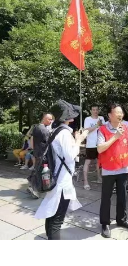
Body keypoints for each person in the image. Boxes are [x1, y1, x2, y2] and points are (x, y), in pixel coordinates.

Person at [34, 100, 88, 240]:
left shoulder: (56, 130)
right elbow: (70, 156)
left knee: (52, 215)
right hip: (62, 182)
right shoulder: (64, 133)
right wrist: (79, 140)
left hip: (56, 178)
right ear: (65, 117)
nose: (74, 115)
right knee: (57, 220)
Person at [97, 103, 128, 239]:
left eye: (121, 113)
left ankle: (121, 219)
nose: (120, 115)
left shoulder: (126, 127)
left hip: (123, 167)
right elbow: (100, 148)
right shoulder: (102, 129)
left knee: (122, 195)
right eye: (117, 112)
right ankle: (105, 223)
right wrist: (115, 137)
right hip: (108, 169)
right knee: (106, 197)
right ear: (109, 115)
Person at [27, 113, 54, 198]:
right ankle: (34, 188)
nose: (51, 121)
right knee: (39, 171)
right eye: (49, 119)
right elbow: (49, 141)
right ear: (44, 119)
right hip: (43, 154)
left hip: (38, 153)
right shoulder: (44, 130)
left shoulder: (36, 127)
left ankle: (32, 185)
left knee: (37, 169)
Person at [83, 105, 106, 190]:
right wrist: (97, 125)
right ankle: (85, 182)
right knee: (87, 162)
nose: (95, 111)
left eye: (96, 110)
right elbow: (87, 130)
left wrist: (102, 125)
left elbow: (105, 128)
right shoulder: (87, 119)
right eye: (93, 110)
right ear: (91, 111)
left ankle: (99, 178)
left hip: (100, 144)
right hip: (91, 144)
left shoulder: (101, 118)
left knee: (99, 162)